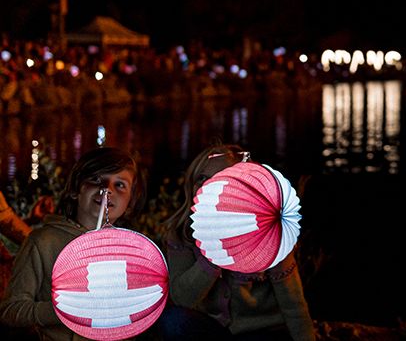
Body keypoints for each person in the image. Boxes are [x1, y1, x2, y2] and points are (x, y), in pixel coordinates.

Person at [159, 143, 315, 341]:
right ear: (191, 186)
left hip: (262, 331)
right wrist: (213, 253)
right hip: (213, 328)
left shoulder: (269, 235)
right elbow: (183, 299)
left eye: (220, 180)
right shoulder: (181, 234)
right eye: (201, 179)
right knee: (173, 320)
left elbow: (294, 307)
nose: (207, 187)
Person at [0, 147, 146, 341]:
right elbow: (11, 310)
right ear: (76, 190)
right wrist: (67, 310)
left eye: (120, 184)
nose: (106, 189)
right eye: (95, 179)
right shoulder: (43, 242)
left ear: (130, 202)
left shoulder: (131, 250)